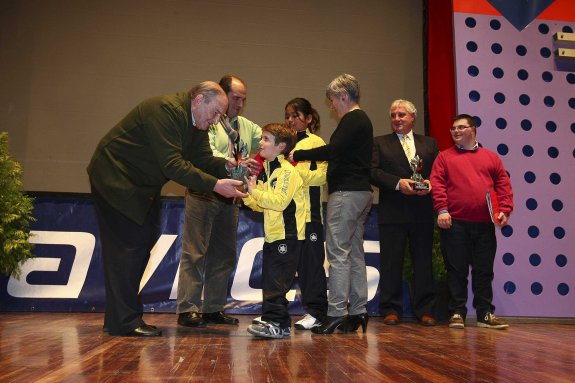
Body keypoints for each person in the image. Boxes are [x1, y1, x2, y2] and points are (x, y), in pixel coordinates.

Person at [87, 81, 247, 337]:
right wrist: (216, 185)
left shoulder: (196, 122)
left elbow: (202, 159)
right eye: (216, 112)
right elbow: (173, 165)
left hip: (141, 186)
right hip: (115, 178)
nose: (217, 120)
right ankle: (125, 322)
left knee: (140, 245)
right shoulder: (164, 111)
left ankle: (118, 318)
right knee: (127, 249)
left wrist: (226, 167)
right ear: (198, 101)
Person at [290, 74, 373, 334]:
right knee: (355, 254)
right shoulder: (363, 120)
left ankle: (336, 312)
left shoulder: (352, 119)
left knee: (338, 254)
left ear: (344, 97)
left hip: (346, 193)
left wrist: (299, 153)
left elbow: (332, 150)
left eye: (333, 100)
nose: (331, 106)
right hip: (362, 193)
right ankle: (358, 311)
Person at [176, 75, 261, 328]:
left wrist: (258, 159)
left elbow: (267, 145)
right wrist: (234, 163)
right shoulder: (208, 122)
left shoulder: (247, 127)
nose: (240, 104)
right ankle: (188, 308)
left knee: (224, 254)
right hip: (205, 191)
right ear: (223, 96)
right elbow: (205, 157)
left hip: (231, 196)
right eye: (235, 98)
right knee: (195, 251)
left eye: (244, 99)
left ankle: (213, 308)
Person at [430, 114, 513, 330]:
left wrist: (505, 209)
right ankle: (457, 312)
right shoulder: (444, 158)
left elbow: (503, 185)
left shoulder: (491, 158)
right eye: (453, 128)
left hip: (485, 224)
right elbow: (437, 184)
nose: (456, 131)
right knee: (456, 270)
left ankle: (485, 314)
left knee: (484, 271)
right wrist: (442, 209)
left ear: (473, 129)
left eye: (461, 127)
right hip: (455, 224)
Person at [370, 99, 438, 326]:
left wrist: (429, 185)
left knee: (423, 262)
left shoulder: (429, 144)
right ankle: (390, 309)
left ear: (413, 118)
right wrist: (399, 183)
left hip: (422, 210)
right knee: (391, 262)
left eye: (402, 115)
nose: (397, 119)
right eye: (393, 115)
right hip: (393, 212)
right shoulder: (379, 143)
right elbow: (372, 173)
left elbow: (438, 173)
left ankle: (425, 310)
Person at [244, 123, 306, 339]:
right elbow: (263, 205)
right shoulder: (271, 172)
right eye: (262, 137)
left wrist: (254, 191)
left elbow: (279, 202)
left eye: (266, 139)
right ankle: (271, 319)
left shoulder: (287, 172)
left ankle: (279, 324)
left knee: (277, 282)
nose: (261, 143)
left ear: (280, 147)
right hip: (274, 235)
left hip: (287, 237)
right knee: (271, 280)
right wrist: (248, 196)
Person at [284, 97, 328, 330]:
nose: (290, 120)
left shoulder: (315, 142)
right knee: (292, 264)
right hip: (287, 216)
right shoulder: (283, 143)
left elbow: (323, 175)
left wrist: (295, 176)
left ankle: (318, 312)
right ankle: (276, 313)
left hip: (310, 214)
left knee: (312, 264)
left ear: (308, 119)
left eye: (295, 116)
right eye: (288, 116)